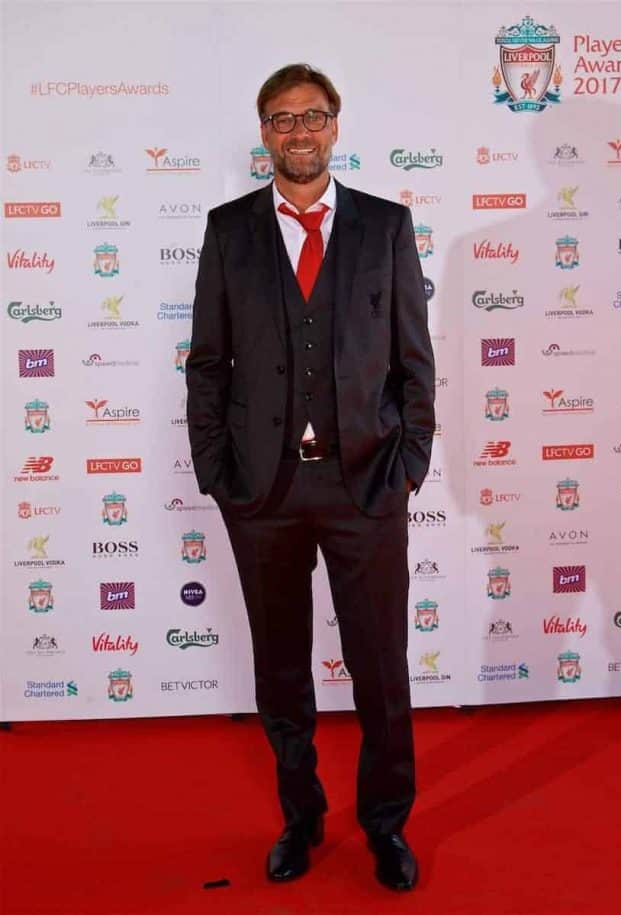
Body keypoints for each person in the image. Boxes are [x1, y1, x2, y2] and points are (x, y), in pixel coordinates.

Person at [186, 63, 435, 891]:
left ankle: (385, 826)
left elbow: (412, 362)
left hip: (365, 483)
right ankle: (300, 817)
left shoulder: (385, 226)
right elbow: (209, 364)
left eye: (313, 116)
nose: (299, 131)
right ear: (264, 134)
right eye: (282, 119)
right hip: (263, 492)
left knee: (381, 669)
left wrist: (408, 464)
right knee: (281, 668)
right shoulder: (228, 231)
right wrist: (218, 473)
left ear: (336, 126)